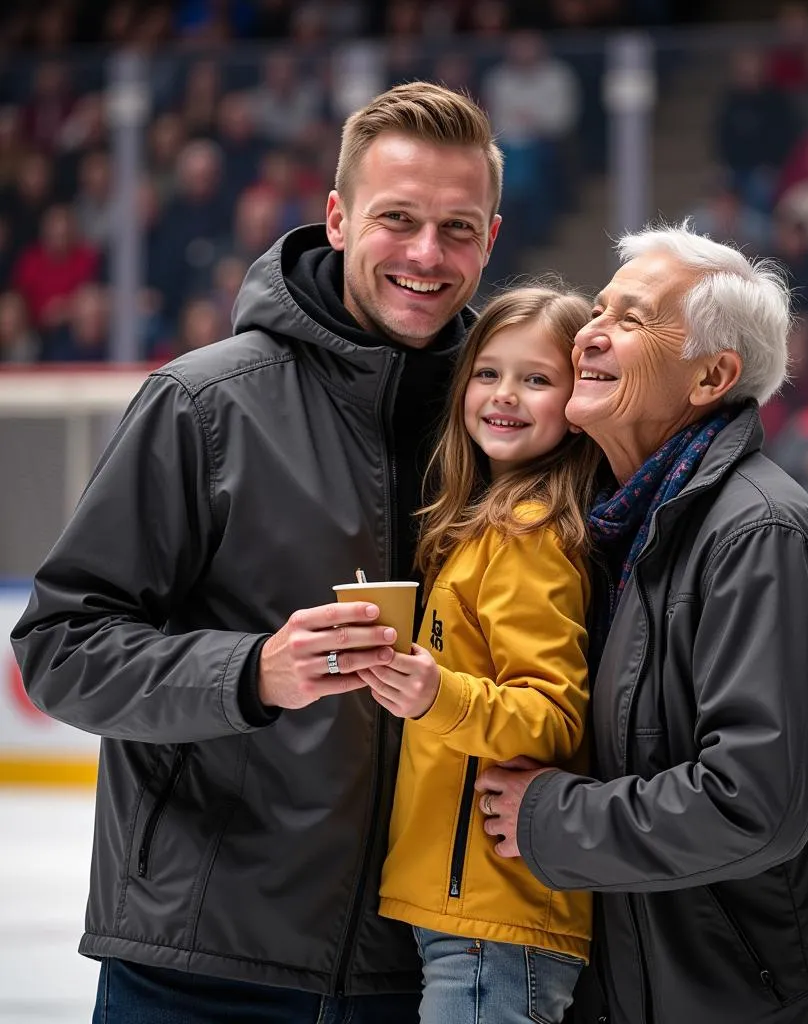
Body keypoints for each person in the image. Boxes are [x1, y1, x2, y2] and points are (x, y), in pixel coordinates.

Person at [10, 81, 503, 1023]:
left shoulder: (511, 423)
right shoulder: (205, 405)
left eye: (459, 228)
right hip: (202, 968)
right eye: (398, 219)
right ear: (338, 219)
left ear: (493, 236)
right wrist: (252, 673)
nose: (427, 255)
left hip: (432, 971)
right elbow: (61, 646)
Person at [474, 222, 808, 1023]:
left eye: (631, 319)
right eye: (599, 309)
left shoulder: (761, 538)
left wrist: (553, 818)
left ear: (711, 376)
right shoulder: (624, 529)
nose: (590, 332)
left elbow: (750, 805)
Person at [355, 284, 604, 1024]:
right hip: (468, 915)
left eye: (537, 379)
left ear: (576, 400)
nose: (506, 395)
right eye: (489, 373)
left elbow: (553, 713)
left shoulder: (529, 534)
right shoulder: (482, 527)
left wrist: (439, 698)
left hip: (494, 921)